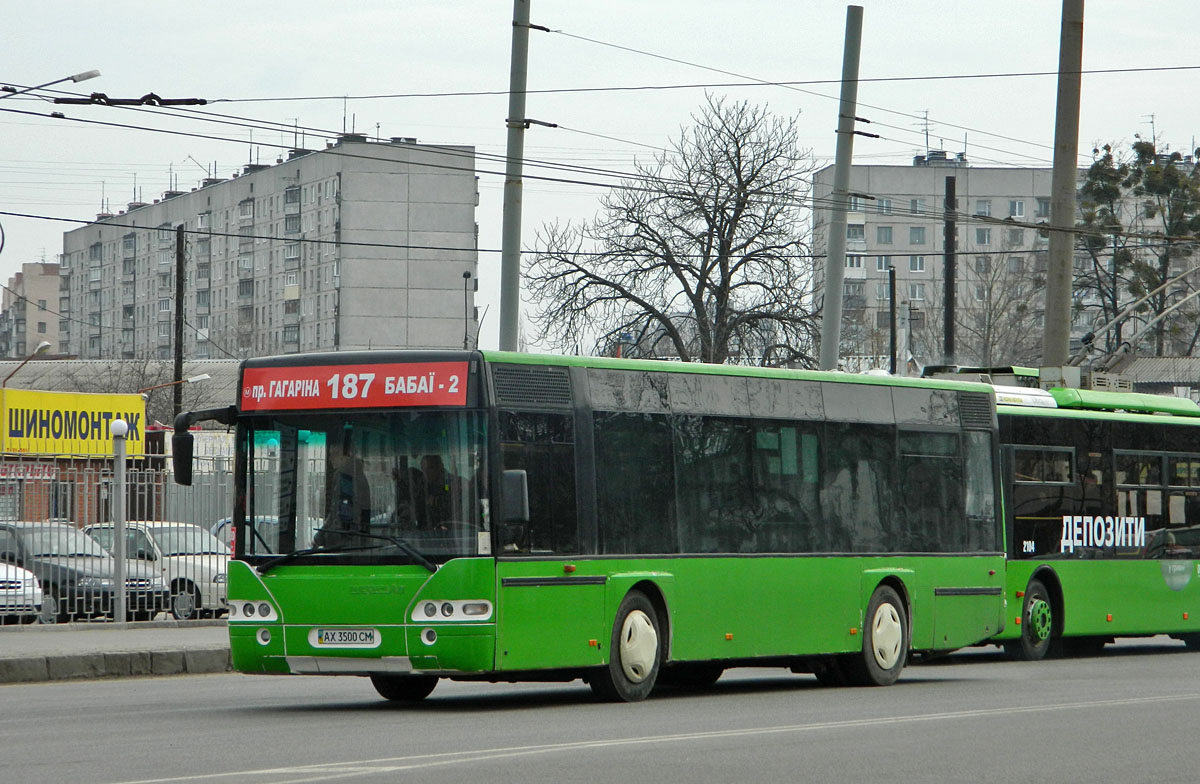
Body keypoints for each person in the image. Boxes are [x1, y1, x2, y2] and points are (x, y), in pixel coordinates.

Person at [316, 448, 371, 547]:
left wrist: (323, 535)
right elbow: (335, 511)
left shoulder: (347, 476)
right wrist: (321, 535)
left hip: (345, 543)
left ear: (345, 456)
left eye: (334, 454)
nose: (330, 459)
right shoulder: (345, 474)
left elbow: (344, 514)